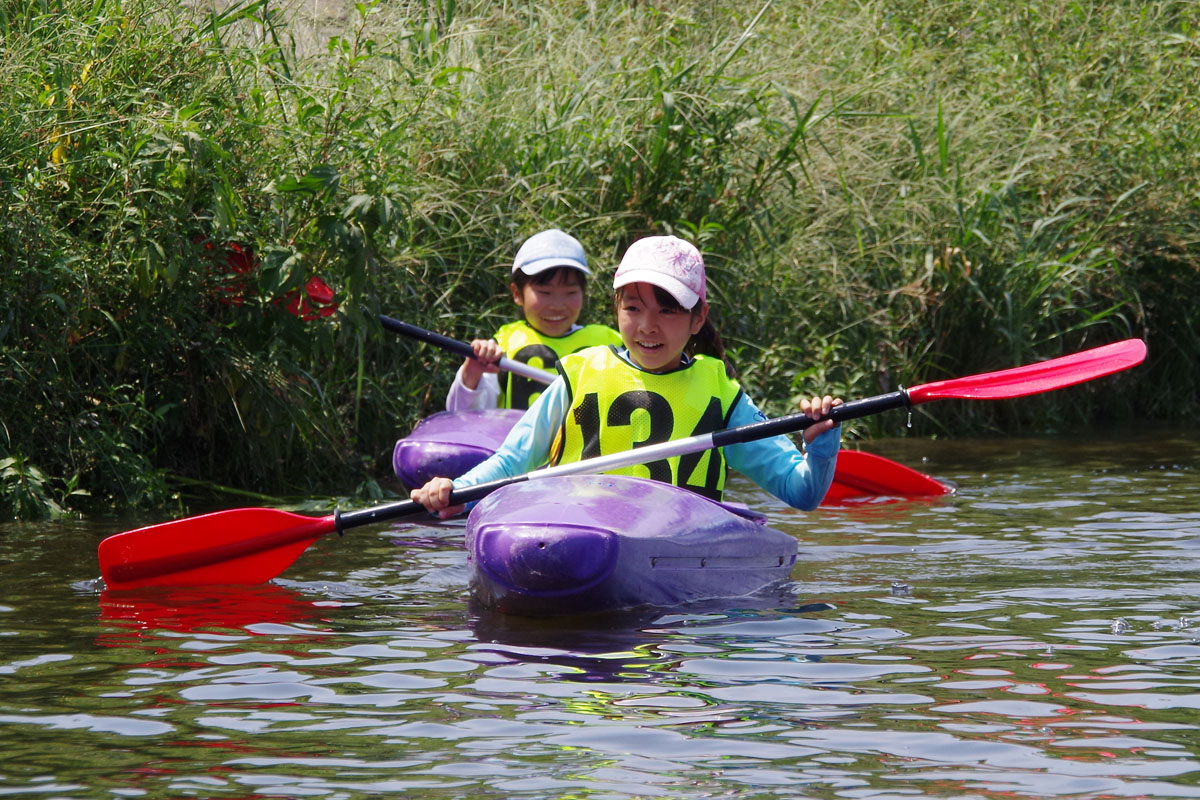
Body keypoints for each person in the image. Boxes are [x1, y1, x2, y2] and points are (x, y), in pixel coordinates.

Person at [414, 234, 842, 517]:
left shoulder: (722, 395)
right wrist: (458, 490)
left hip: (675, 544)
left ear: (698, 319)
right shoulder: (578, 376)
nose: (647, 326)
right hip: (572, 529)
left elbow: (800, 492)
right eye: (633, 308)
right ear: (616, 309)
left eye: (668, 310)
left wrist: (821, 445)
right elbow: (513, 461)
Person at [446, 228, 622, 411]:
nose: (557, 305)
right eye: (545, 293)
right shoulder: (500, 348)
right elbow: (459, 416)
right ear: (517, 293)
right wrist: (472, 371)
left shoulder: (612, 346)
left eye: (570, 292)